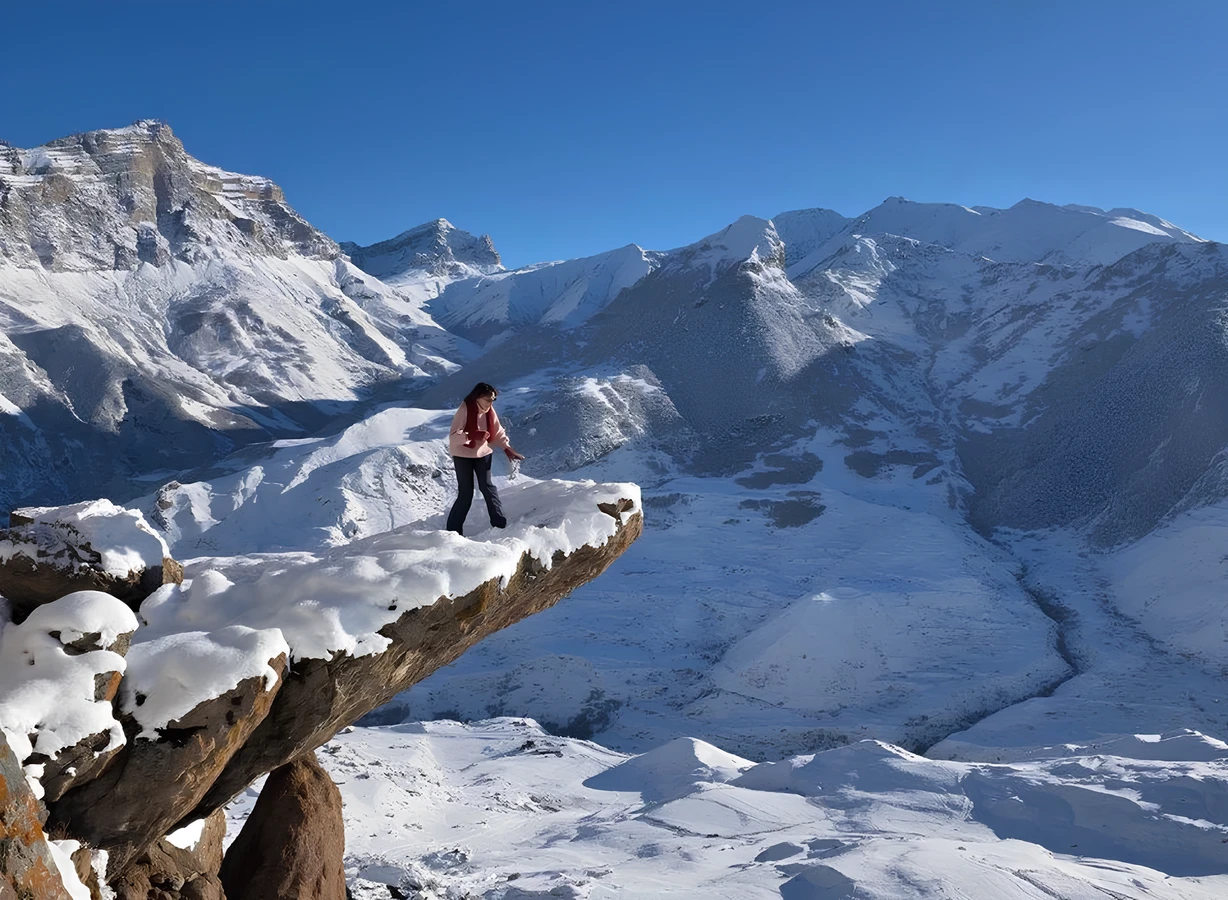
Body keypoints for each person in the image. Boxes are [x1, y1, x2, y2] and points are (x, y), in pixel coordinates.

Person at [445, 382, 526, 535]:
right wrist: (471, 435)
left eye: (493, 399)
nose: (491, 402)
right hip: (462, 454)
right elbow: (454, 437)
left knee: (488, 488)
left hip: (482, 453)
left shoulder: (489, 410)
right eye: (488, 399)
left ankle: (499, 525)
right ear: (478, 397)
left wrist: (507, 448)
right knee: (465, 493)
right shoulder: (465, 409)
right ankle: (452, 532)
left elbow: (497, 430)